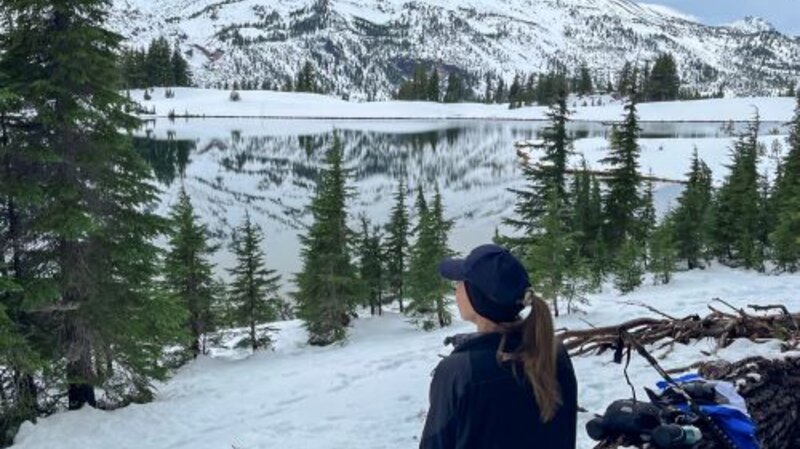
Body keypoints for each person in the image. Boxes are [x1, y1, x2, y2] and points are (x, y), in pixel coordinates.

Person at [419, 244, 578, 449]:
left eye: (460, 282)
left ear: (476, 297)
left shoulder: (459, 372)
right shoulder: (553, 353)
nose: (456, 289)